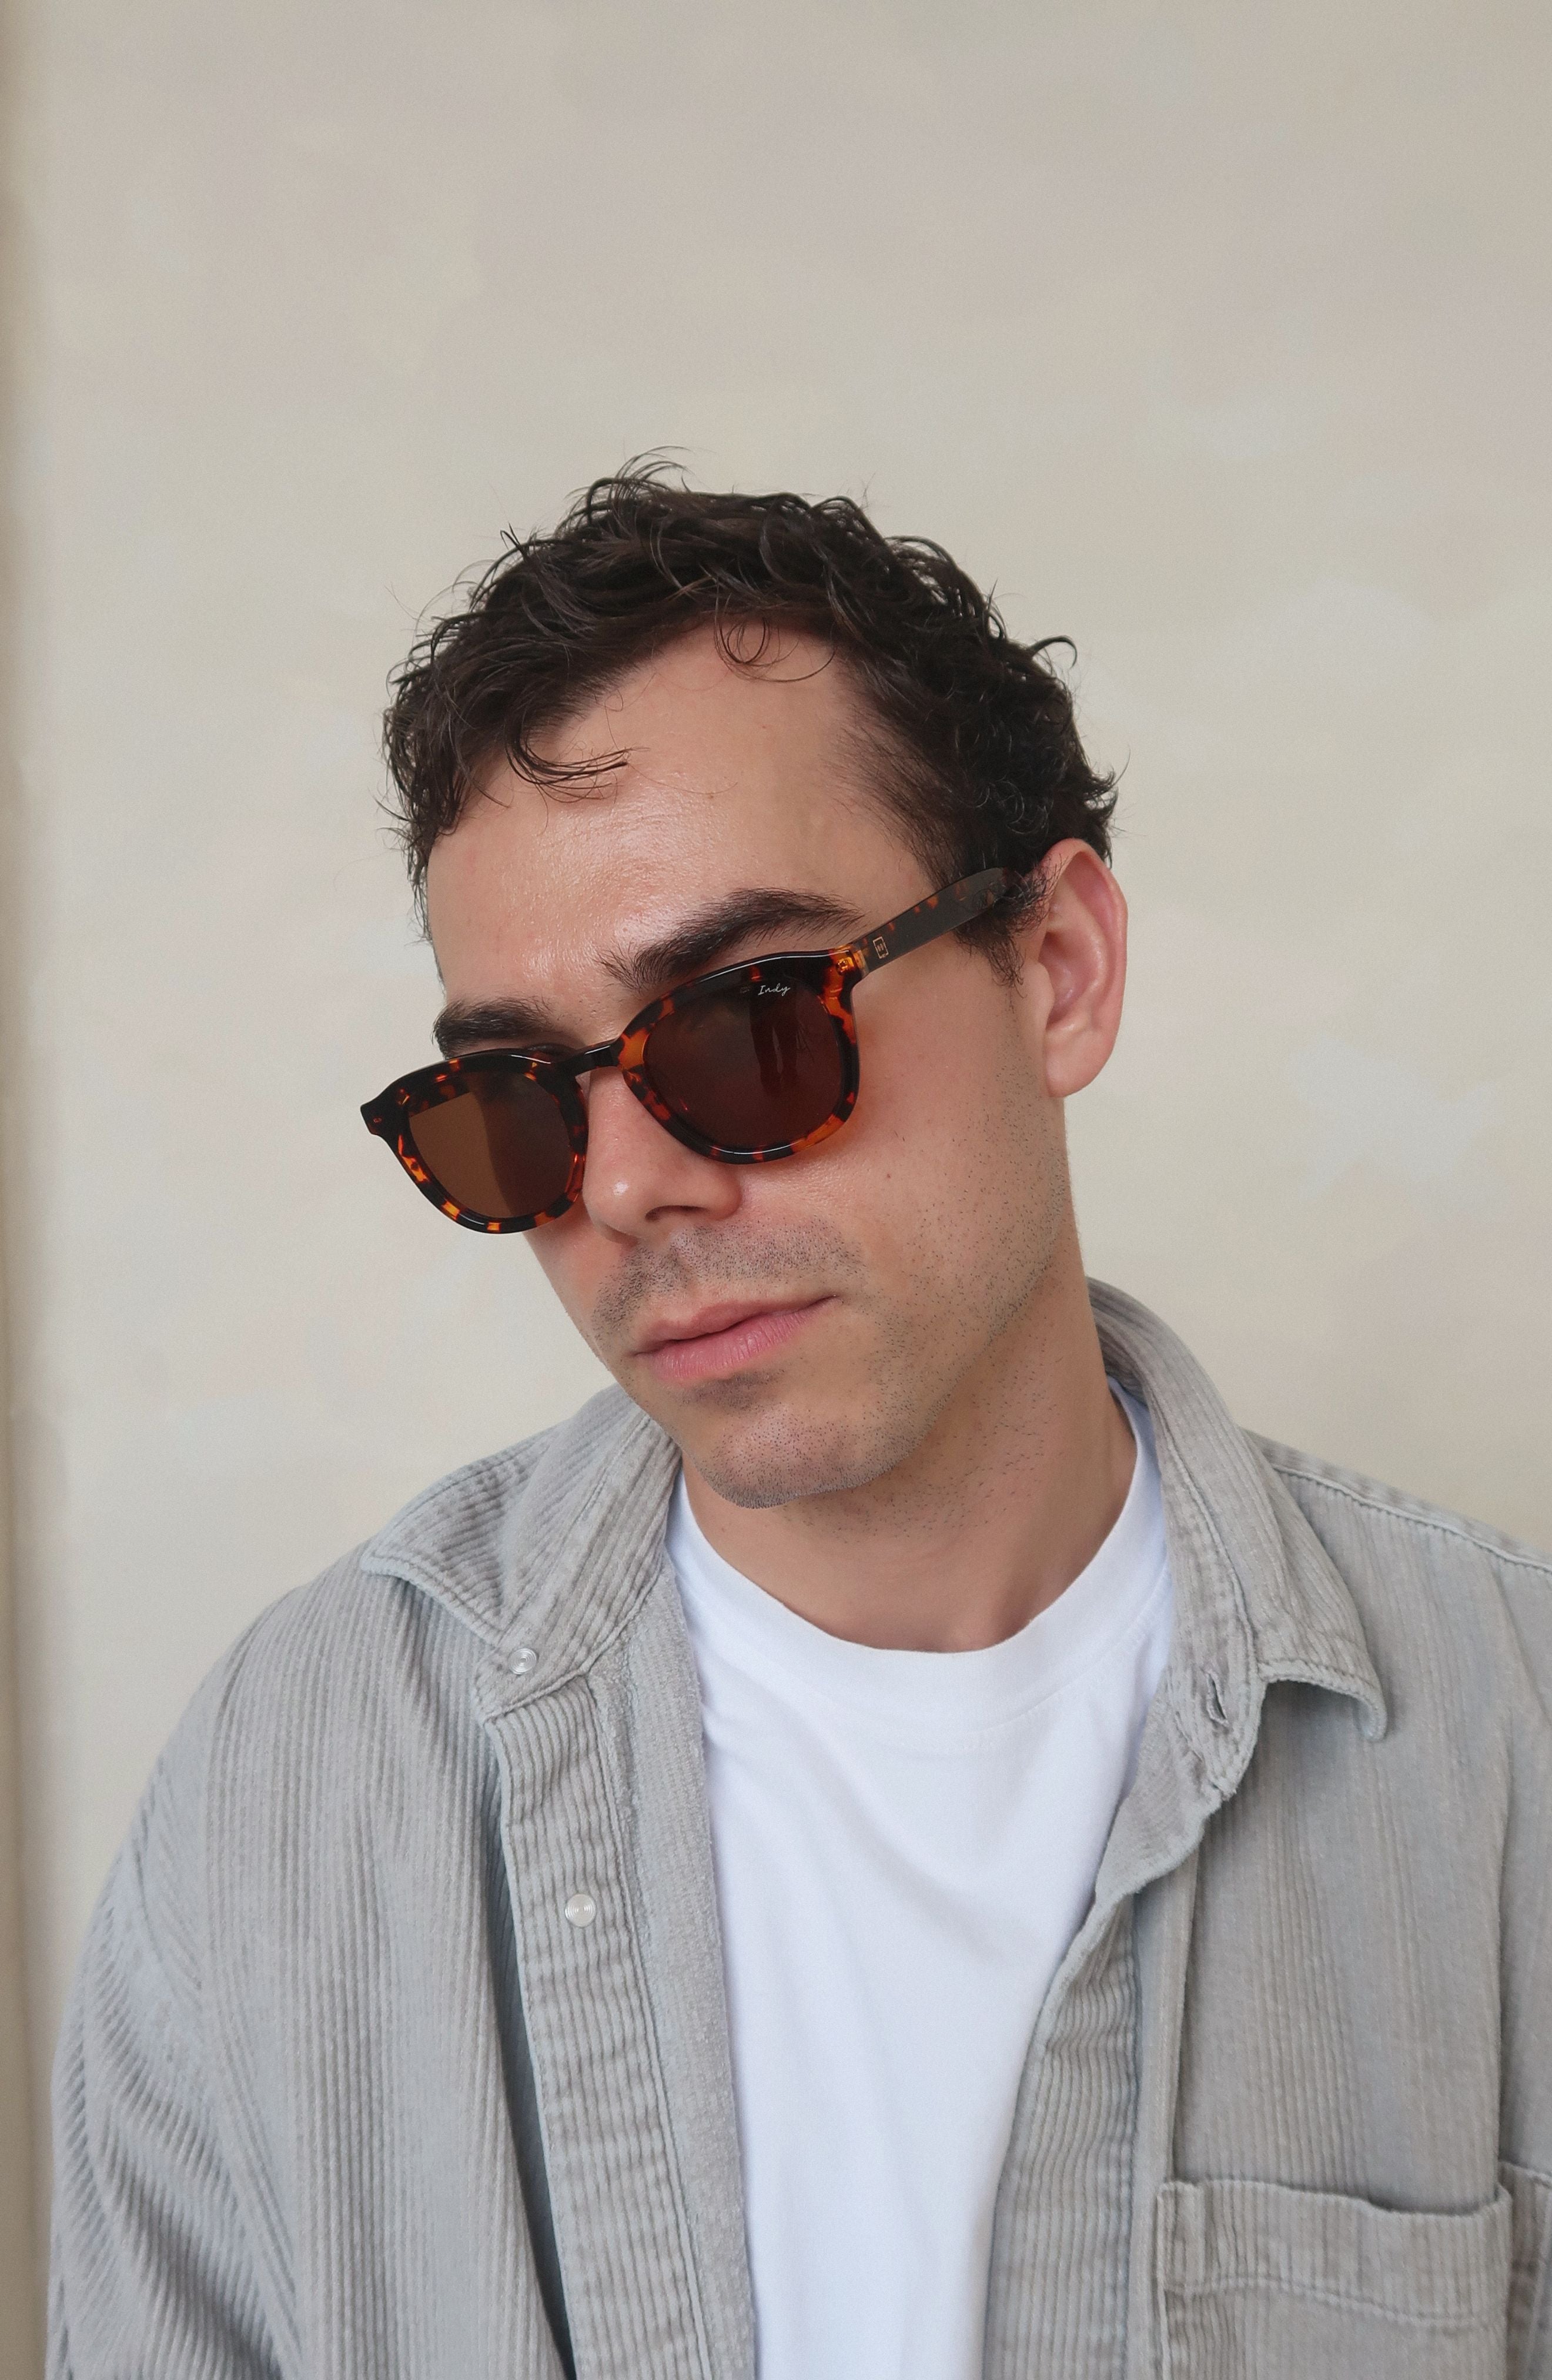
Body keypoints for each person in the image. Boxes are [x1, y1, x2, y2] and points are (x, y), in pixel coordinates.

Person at [50, 470, 1552, 2380]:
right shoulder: (289, 1800)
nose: (626, 1189)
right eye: (517, 1102)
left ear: (1059, 972)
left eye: (748, 1025)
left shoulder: (1510, 1756)